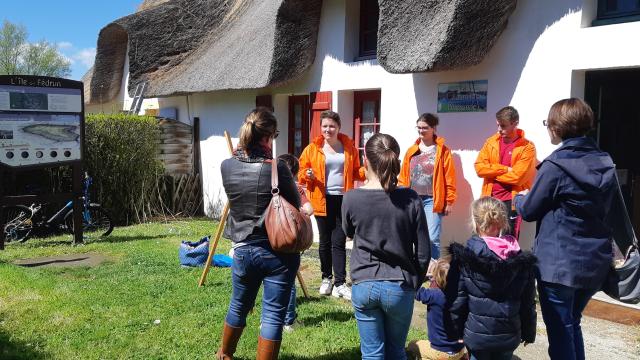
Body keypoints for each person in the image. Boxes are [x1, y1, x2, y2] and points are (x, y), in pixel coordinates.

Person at [514, 98, 616, 360]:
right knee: (572, 323)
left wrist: (519, 198)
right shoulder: (604, 161)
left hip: (559, 266)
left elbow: (529, 210)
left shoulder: (555, 167)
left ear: (557, 128)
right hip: (594, 262)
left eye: (549, 124)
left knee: (560, 331)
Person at [216, 108, 301, 360]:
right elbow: (294, 204)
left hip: (242, 249)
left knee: (238, 305)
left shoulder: (226, 166)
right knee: (274, 314)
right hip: (278, 252)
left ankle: (225, 355)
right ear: (267, 137)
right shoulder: (278, 168)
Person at [342, 133, 431, 360]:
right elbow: (423, 252)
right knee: (396, 351)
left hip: (364, 282)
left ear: (365, 159)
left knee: (372, 354)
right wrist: (414, 283)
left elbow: (348, 232)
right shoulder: (411, 198)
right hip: (399, 286)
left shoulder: (351, 198)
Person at [449, 197, 536, 360]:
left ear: (475, 222)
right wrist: (529, 333)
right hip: (508, 336)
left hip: (477, 336)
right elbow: (528, 303)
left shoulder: (465, 258)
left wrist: (455, 331)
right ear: (503, 223)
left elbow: (457, 300)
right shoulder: (521, 261)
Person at [298, 110, 365, 300]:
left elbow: (356, 171)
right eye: (325, 126)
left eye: (332, 126)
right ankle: (326, 278)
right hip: (321, 198)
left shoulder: (348, 146)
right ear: (321, 128)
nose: (328, 129)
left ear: (338, 127)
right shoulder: (312, 148)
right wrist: (307, 174)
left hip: (343, 199)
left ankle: (340, 283)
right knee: (325, 241)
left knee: (339, 241)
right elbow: (301, 171)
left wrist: (370, 170)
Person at [399, 113, 457, 260]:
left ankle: (434, 275)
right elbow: (403, 176)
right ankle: (417, 268)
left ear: (433, 128)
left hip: (432, 200)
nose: (421, 131)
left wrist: (449, 201)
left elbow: (449, 177)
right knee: (412, 236)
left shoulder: (442, 151)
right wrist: (400, 196)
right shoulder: (412, 150)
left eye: (425, 128)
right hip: (412, 199)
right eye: (418, 128)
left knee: (432, 238)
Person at [474, 106, 536, 238]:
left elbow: (518, 177)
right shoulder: (490, 142)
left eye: (503, 126)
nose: (499, 130)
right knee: (485, 240)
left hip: (511, 202)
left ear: (515, 124)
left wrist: (491, 173)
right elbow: (479, 168)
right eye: (498, 125)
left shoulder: (527, 147)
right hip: (489, 199)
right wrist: (504, 169)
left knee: (508, 242)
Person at [277, 153, 313, 332]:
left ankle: (268, 320)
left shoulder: (270, 188)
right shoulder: (297, 189)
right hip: (289, 240)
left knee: (270, 282)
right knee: (289, 281)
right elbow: (309, 209)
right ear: (295, 172)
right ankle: (289, 321)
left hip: (271, 238)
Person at [408, 259, 467, 360]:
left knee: (412, 344)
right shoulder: (461, 296)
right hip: (460, 350)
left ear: (436, 277)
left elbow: (415, 290)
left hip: (439, 352)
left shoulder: (434, 295)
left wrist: (425, 276)